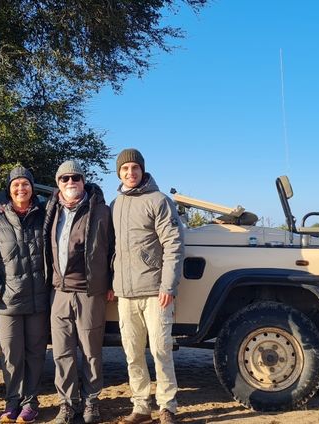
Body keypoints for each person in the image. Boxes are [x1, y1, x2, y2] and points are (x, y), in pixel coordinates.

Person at [110, 148, 184, 424]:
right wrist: (111, 282)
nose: (130, 173)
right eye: (125, 169)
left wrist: (168, 286)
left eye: (135, 168)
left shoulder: (159, 200)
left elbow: (173, 245)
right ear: (119, 173)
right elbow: (111, 249)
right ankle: (141, 406)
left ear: (142, 170)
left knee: (161, 350)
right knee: (132, 353)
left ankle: (168, 406)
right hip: (125, 294)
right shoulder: (115, 204)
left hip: (155, 291)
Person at [43, 160, 114, 424]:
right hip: (59, 292)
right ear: (57, 183)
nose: (70, 183)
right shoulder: (50, 210)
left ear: (84, 181)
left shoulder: (101, 211)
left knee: (91, 351)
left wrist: (111, 283)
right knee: (62, 351)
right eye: (65, 179)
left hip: (89, 292)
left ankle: (92, 401)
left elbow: (113, 250)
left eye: (76, 178)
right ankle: (67, 403)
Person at [0, 167, 49, 424]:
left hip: (38, 300)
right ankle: (12, 403)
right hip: (8, 301)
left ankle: (30, 404)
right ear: (9, 190)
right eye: (16, 185)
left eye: (25, 184)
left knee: (35, 354)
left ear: (32, 187)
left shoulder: (44, 216)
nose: (21, 189)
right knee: (11, 355)